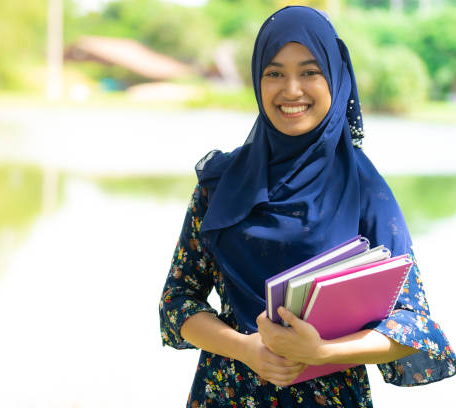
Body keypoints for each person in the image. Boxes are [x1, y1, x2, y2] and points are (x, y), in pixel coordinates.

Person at [159, 6, 455, 407]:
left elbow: (414, 325)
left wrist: (320, 353)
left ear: (336, 77)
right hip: (226, 394)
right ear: (257, 80)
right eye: (275, 72)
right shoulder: (221, 185)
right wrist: (245, 348)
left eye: (310, 72)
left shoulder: (364, 188)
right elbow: (178, 300)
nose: (291, 90)